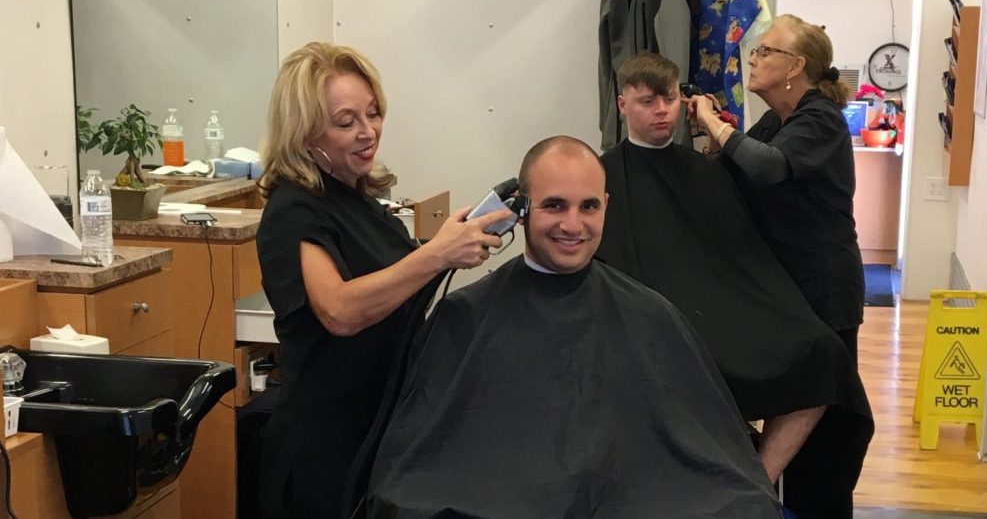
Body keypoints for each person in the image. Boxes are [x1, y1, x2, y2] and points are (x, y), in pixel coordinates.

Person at [364, 136, 782, 518]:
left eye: (588, 207)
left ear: (606, 205)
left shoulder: (652, 314)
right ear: (520, 207)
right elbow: (413, 473)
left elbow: (713, 458)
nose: (572, 225)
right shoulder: (464, 316)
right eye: (554, 205)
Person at [597, 51, 872, 519]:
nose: (661, 110)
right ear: (622, 105)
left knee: (823, 352)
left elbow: (737, 252)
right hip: (657, 321)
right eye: (646, 101)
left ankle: (755, 485)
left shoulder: (708, 169)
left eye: (668, 99)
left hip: (729, 310)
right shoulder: (601, 176)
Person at [255, 42, 513, 518]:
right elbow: (339, 311)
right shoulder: (294, 209)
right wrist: (435, 255)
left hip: (377, 429)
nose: (367, 131)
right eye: (345, 121)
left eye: (373, 114)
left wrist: (451, 247)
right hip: (323, 447)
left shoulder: (362, 201)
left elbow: (399, 291)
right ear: (304, 132)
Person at [688, 14, 865, 361]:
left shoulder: (821, 119)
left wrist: (714, 123)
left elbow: (768, 166)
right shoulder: (775, 121)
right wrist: (714, 138)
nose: (753, 59)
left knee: (828, 394)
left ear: (795, 66)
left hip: (823, 283)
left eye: (765, 51)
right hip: (787, 279)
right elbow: (730, 175)